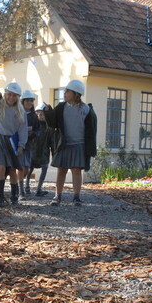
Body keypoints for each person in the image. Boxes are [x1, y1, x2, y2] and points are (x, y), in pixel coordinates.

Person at [42, 79, 97, 207]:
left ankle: (76, 197)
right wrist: (49, 112)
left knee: (76, 170)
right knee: (61, 170)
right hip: (64, 144)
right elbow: (53, 124)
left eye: (67, 91)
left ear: (76, 94)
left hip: (79, 145)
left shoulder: (86, 109)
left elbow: (91, 130)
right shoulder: (61, 107)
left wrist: (90, 148)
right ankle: (57, 196)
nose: (64, 93)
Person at [0, 83, 27, 206]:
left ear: (18, 97)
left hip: (12, 141)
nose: (12, 97)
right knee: (0, 167)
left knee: (12, 170)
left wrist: (21, 145)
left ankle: (13, 197)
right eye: (10, 94)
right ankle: (0, 198)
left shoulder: (20, 111)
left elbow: (23, 129)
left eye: (15, 95)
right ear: (6, 94)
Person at [28, 103, 56, 197]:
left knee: (44, 170)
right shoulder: (34, 126)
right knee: (29, 170)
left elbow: (52, 141)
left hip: (44, 153)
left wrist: (54, 152)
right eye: (38, 114)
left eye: (42, 114)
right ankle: (26, 187)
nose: (40, 116)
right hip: (33, 151)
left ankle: (39, 188)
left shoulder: (50, 128)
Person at [18, 90, 41, 199]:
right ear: (23, 101)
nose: (29, 103)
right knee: (21, 168)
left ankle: (17, 185)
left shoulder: (34, 116)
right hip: (18, 145)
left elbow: (38, 130)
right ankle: (20, 191)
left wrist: (33, 133)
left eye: (31, 101)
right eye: (27, 101)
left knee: (26, 169)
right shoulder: (17, 113)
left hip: (29, 145)